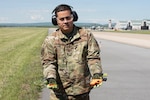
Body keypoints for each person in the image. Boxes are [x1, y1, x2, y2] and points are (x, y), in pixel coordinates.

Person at [41, 4, 103, 100]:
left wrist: (97, 74)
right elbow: (48, 62)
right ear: (56, 21)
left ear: (73, 17)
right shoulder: (51, 40)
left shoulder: (86, 35)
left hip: (82, 92)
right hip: (59, 93)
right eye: (62, 19)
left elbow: (93, 58)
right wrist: (50, 78)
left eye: (68, 18)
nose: (65, 22)